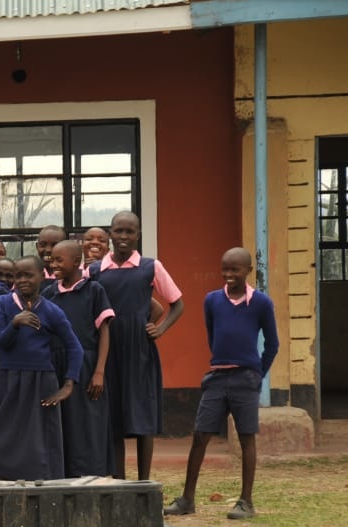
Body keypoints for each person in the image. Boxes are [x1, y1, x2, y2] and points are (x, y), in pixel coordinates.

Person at [164, 247, 278, 520]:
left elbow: (272, 345)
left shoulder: (261, 303)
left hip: (245, 378)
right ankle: (187, 499)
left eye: (234, 270)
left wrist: (256, 376)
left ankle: (246, 501)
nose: (228, 274)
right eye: (224, 269)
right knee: (200, 435)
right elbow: (213, 336)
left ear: (248, 271)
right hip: (217, 377)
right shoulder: (212, 300)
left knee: (246, 437)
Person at [87, 211, 184, 480]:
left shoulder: (150, 267)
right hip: (107, 351)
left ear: (138, 235)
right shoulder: (95, 271)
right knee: (113, 418)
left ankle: (143, 482)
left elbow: (177, 303)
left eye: (130, 232)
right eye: (119, 231)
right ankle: (119, 481)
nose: (124, 237)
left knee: (143, 417)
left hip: (140, 352)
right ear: (110, 233)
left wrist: (160, 328)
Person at [0, 256, 82, 480]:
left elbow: (74, 347)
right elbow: (2, 342)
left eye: (28, 275)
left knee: (41, 438)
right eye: (17, 275)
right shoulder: (2, 304)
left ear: (42, 276)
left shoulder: (52, 310)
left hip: (43, 382)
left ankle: (45, 483)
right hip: (10, 378)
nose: (22, 280)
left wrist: (69, 384)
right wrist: (14, 323)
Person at [43, 241, 115, 477]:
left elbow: (104, 331)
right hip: (56, 366)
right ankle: (64, 476)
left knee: (88, 423)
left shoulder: (94, 291)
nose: (54, 264)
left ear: (76, 262)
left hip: (86, 365)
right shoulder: (49, 294)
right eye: (52, 260)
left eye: (59, 260)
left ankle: (92, 477)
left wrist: (99, 371)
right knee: (62, 424)